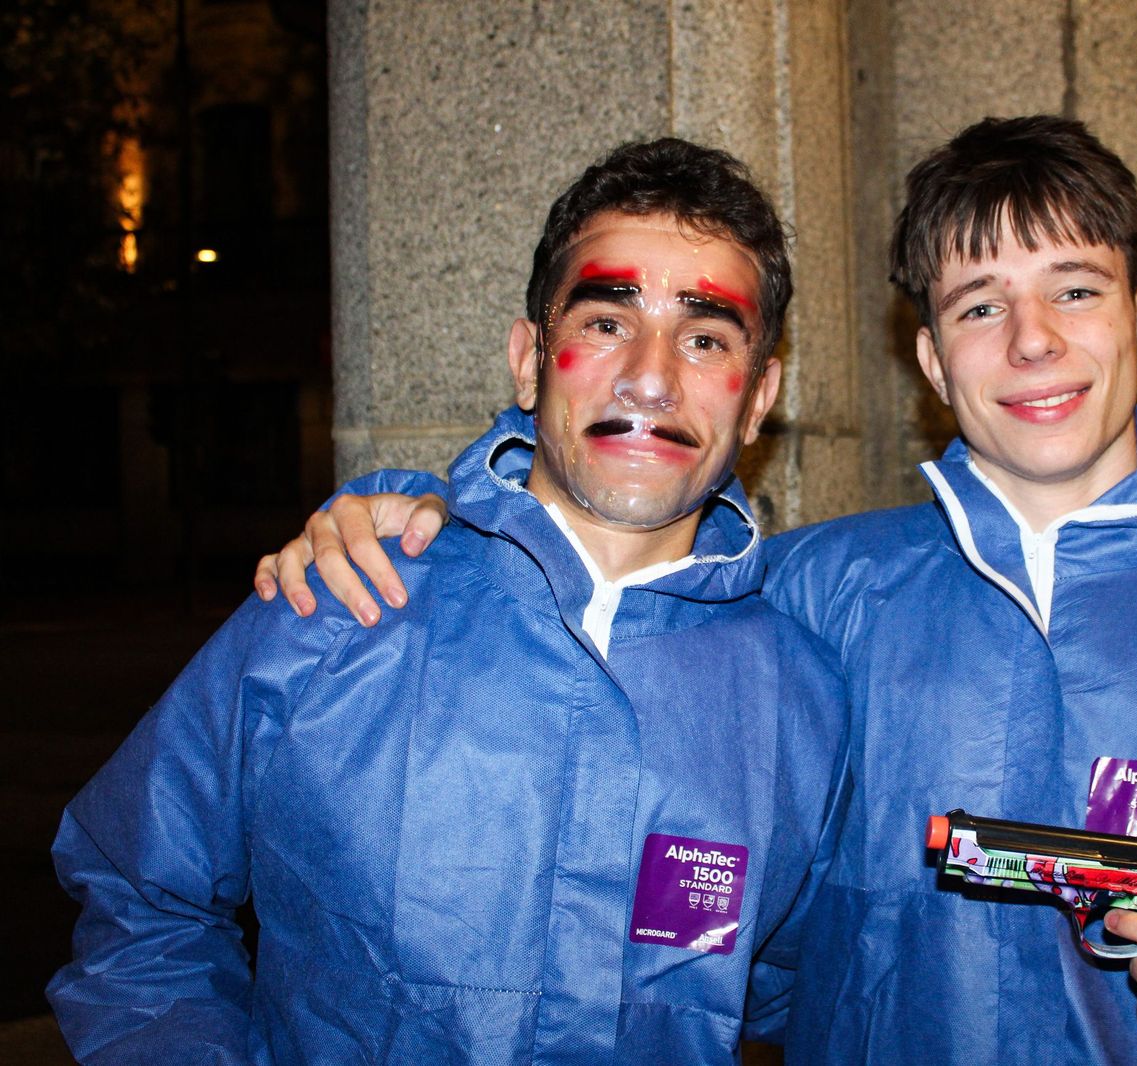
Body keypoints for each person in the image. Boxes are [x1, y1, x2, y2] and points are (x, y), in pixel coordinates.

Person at [254, 116, 1137, 1063]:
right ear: (932, 360)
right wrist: (420, 512)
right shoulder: (819, 594)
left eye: (1076, 290)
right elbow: (606, 574)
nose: (1034, 341)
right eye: (980, 305)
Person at [48, 137, 849, 1065]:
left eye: (707, 338)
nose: (652, 376)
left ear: (759, 400)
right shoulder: (336, 607)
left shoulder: (805, 705)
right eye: (605, 322)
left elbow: (810, 994)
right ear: (528, 360)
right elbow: (138, 896)